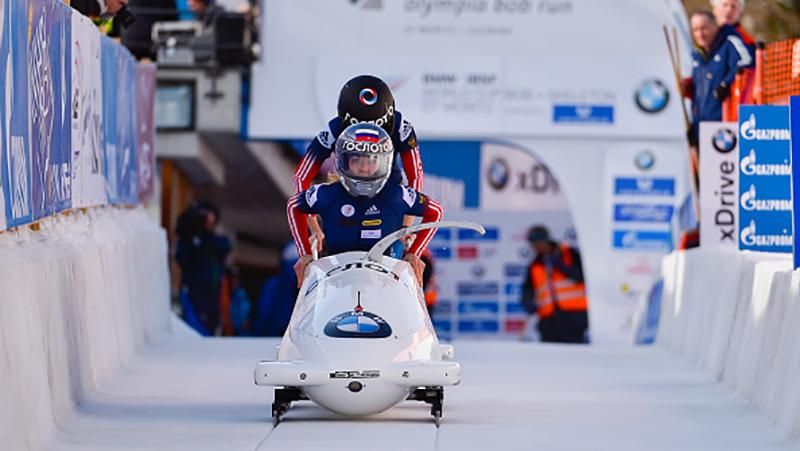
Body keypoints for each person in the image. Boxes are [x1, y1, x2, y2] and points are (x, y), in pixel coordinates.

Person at [288, 123, 442, 286]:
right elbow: (294, 206)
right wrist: (305, 253)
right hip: (337, 282)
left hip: (385, 282)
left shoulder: (397, 196)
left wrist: (414, 252)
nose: (364, 168)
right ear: (344, 161)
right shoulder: (328, 194)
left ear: (383, 163)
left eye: (371, 161)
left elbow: (435, 211)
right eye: (356, 160)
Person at [294, 75, 424, 250]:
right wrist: (314, 228)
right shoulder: (334, 129)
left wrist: (406, 226)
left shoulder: (401, 128)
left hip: (387, 195)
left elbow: (415, 175)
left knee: (395, 251)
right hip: (345, 194)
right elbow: (303, 176)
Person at [684, 10, 752, 147]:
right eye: (696, 30)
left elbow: (747, 62)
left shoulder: (728, 44)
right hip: (701, 127)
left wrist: (726, 84)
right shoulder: (695, 55)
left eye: (704, 28)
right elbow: (698, 92)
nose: (700, 34)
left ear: (715, 26)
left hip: (724, 126)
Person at [520, 225, 588, 344]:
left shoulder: (570, 254)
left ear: (546, 240)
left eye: (537, 243)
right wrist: (528, 302)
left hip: (574, 317)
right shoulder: (535, 265)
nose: (536, 247)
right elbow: (528, 289)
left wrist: (560, 265)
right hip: (549, 321)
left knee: (575, 352)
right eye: (533, 244)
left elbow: (581, 276)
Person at [175, 200, 231, 335]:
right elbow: (181, 257)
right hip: (193, 293)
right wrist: (190, 233)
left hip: (212, 294)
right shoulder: (189, 240)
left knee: (210, 329)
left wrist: (205, 235)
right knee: (197, 332)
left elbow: (225, 246)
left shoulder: (212, 241)